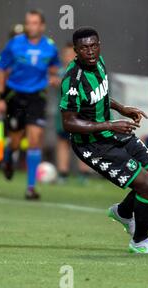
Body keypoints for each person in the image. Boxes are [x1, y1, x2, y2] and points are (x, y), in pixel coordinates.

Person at [60, 27, 148, 254]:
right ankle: (140, 241)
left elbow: (102, 94)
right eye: (85, 48)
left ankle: (124, 212)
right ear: (76, 51)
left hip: (112, 131)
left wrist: (122, 109)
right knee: (146, 186)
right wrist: (110, 123)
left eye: (94, 45)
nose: (91, 51)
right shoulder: (72, 80)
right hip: (92, 145)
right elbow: (68, 122)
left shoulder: (99, 63)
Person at [0, 10, 60, 200]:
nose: (31, 26)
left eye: (35, 23)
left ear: (42, 26)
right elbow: (0, 67)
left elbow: (54, 68)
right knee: (15, 141)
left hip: (37, 97)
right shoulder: (15, 43)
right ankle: (8, 156)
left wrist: (54, 77)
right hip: (16, 96)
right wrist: (0, 97)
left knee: (34, 138)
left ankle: (31, 188)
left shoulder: (49, 47)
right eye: (28, 23)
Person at [55, 43, 90, 184]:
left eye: (71, 54)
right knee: (63, 142)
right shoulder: (60, 71)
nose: (68, 57)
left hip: (81, 114)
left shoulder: (83, 71)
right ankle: (63, 173)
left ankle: (84, 174)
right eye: (66, 54)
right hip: (65, 114)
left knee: (83, 142)